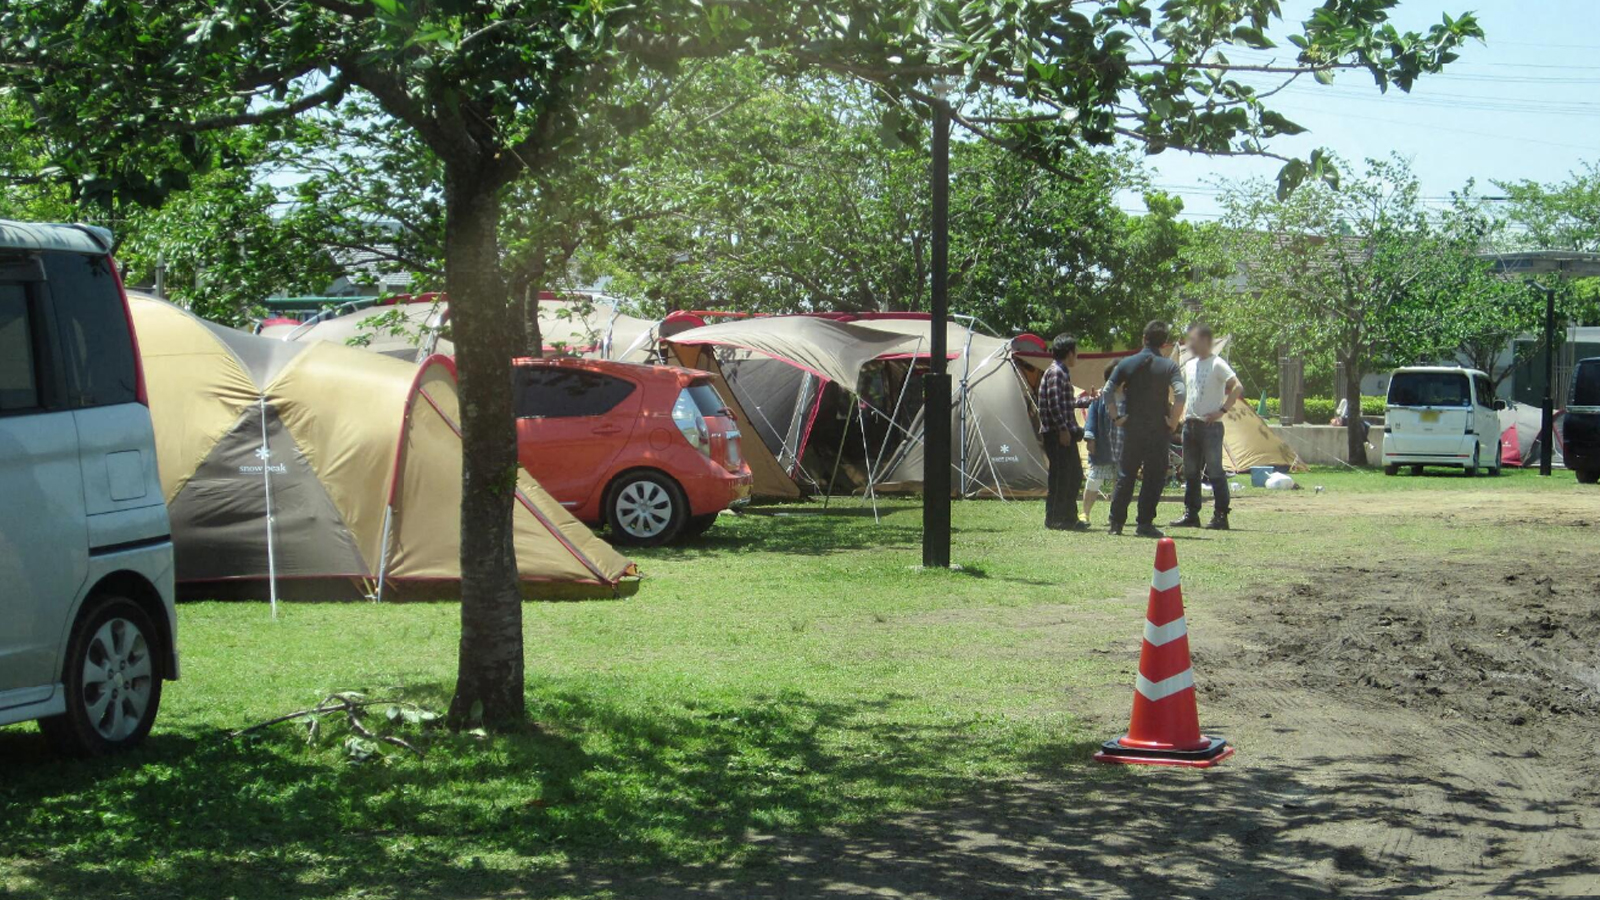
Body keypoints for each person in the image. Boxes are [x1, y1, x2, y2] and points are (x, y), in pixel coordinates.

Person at [1103, 321, 1185, 538]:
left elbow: (1107, 390)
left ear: (1144, 338)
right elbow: (1181, 393)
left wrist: (1116, 417)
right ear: (1164, 343)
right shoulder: (1169, 366)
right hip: (1158, 428)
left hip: (1132, 427)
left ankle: (1116, 523)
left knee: (1126, 475)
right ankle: (1145, 523)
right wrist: (1173, 421)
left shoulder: (1127, 363)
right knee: (1154, 476)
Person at [1171, 323, 1243, 531]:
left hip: (1211, 426)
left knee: (1215, 471)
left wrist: (1222, 410)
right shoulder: (1190, 365)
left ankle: (1221, 515)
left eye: (1193, 340)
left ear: (1204, 341)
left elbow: (1237, 386)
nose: (1190, 344)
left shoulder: (1217, 363)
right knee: (1191, 471)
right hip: (1190, 424)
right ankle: (1191, 514)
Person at [1037, 333, 1095, 531]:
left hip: (1064, 432)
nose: (1076, 355)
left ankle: (1069, 517)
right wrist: (1063, 429)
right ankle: (1054, 518)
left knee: (1073, 475)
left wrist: (1089, 400)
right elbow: (1053, 404)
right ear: (1069, 352)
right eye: (1075, 351)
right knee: (1061, 477)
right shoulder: (1056, 372)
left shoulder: (1060, 372)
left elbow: (1065, 402)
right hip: (1057, 433)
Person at [1082, 361, 1124, 526]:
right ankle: (1085, 513)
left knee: (1119, 484)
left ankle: (1114, 516)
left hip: (1123, 448)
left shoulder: (1129, 397)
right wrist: (1090, 438)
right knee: (1094, 480)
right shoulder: (1100, 397)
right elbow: (1091, 419)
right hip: (1103, 447)